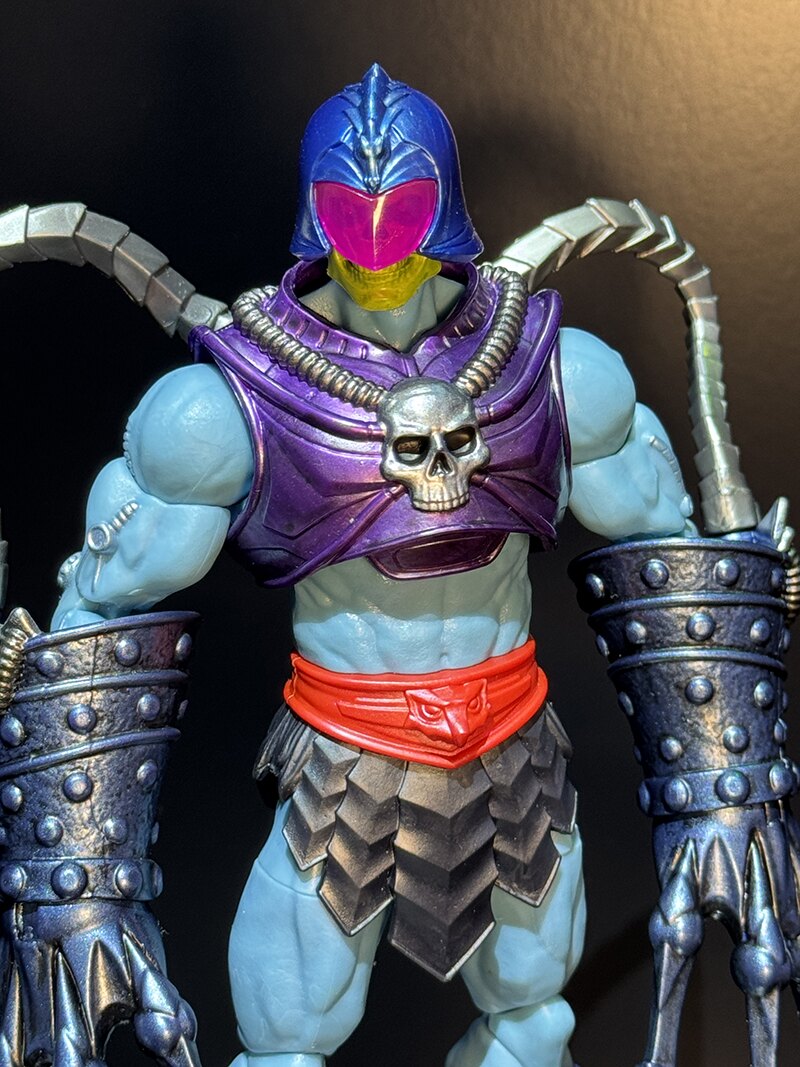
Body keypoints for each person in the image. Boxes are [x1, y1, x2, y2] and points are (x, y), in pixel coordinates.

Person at [48, 65, 694, 1066]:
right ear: (317, 216)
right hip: (344, 764)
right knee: (285, 1042)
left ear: (448, 209)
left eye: (406, 214)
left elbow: (678, 565)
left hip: (513, 753)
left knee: (534, 1022)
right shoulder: (228, 405)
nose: (382, 249)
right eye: (354, 217)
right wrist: (74, 871)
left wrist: (724, 787)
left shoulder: (553, 371)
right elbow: (93, 620)